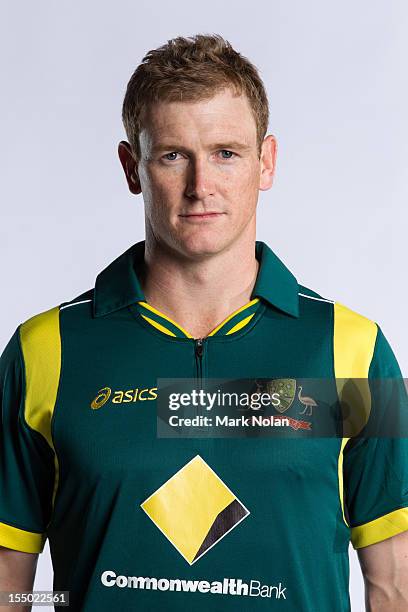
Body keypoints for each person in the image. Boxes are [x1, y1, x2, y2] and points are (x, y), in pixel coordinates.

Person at [0, 33, 407, 612]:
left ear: (265, 162)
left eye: (226, 152)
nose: (200, 186)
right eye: (172, 155)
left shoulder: (354, 350)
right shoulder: (46, 351)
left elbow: (395, 584)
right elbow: (8, 582)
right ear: (131, 167)